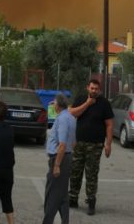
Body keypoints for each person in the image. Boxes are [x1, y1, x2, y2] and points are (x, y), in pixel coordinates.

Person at [68, 79, 113, 216]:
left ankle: (91, 202)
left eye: (96, 89)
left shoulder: (104, 103)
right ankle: (73, 198)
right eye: (92, 88)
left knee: (91, 174)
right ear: (87, 88)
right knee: (75, 171)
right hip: (79, 143)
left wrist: (108, 144)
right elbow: (72, 113)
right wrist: (87, 103)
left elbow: (109, 125)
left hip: (95, 145)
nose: (94, 91)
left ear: (99, 90)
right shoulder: (81, 98)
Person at [42, 93, 76, 224]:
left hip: (59, 159)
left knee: (52, 195)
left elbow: (62, 144)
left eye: (54, 102)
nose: (53, 104)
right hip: (66, 158)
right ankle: (65, 221)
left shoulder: (62, 119)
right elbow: (73, 142)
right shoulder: (70, 117)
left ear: (58, 105)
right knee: (62, 196)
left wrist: (57, 165)